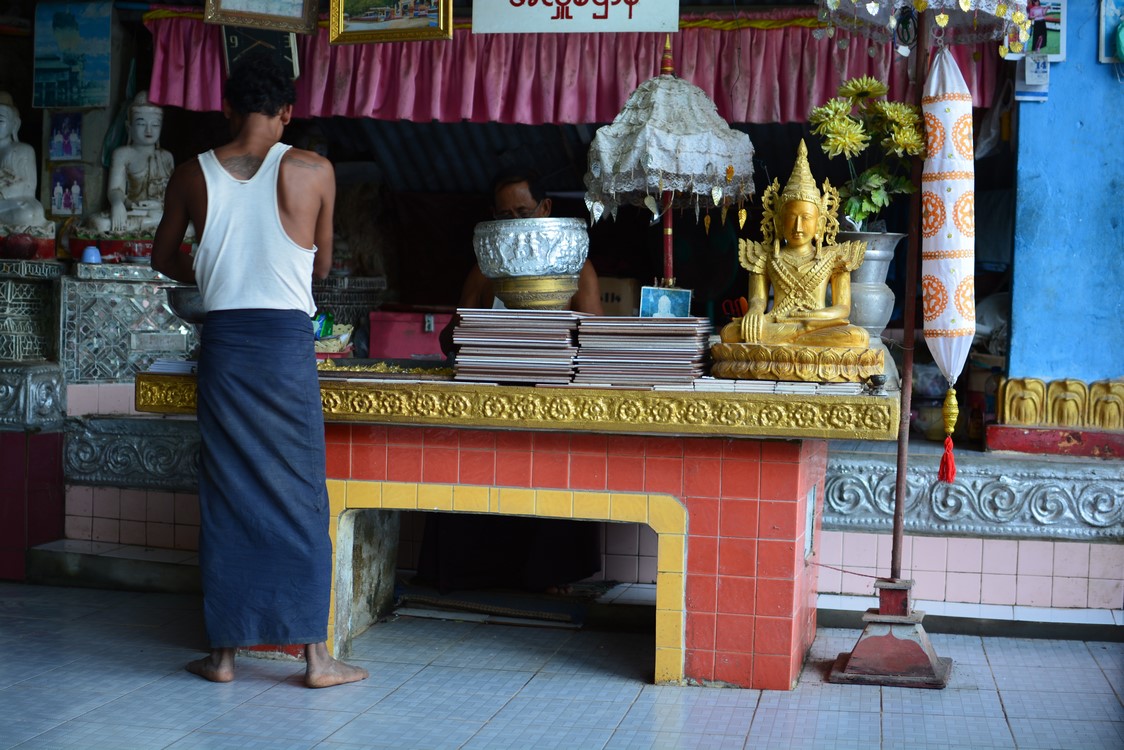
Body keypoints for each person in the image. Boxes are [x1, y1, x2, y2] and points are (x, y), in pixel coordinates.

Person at [151, 51, 368, 689]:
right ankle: (316, 660)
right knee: (300, 494)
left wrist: (218, 270)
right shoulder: (313, 169)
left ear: (226, 107)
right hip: (283, 348)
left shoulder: (192, 173)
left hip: (225, 345)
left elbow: (166, 256)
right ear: (288, 112)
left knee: (225, 493)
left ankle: (222, 658)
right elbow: (321, 267)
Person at [720, 140, 867, 348]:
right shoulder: (765, 256)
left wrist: (813, 317)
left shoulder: (834, 257)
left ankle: (788, 344)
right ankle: (793, 344)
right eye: (791, 217)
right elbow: (758, 301)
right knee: (730, 333)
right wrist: (754, 312)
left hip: (816, 325)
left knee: (856, 337)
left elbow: (842, 308)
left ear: (820, 224)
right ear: (779, 222)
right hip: (776, 324)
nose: (798, 226)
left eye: (806, 218)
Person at [458, 170, 604, 314]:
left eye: (524, 213)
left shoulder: (576, 270)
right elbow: (452, 334)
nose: (516, 224)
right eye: (505, 215)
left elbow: (594, 334)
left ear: (545, 208)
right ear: (494, 214)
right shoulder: (485, 271)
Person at [87, 91, 175, 235]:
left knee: (187, 227)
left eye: (155, 125)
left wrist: (159, 206)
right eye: (141, 123)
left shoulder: (166, 157)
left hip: (158, 214)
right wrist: (117, 204)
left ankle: (148, 227)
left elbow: (172, 197)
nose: (148, 130)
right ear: (129, 128)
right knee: (99, 223)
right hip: (132, 213)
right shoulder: (122, 155)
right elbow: (116, 189)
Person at [0, 92, 50, 230]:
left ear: (14, 124)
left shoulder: (23, 150)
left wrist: (3, 191)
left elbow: (28, 186)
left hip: (12, 202)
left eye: (0, 121)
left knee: (29, 214)